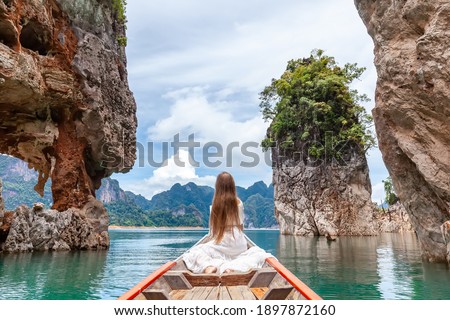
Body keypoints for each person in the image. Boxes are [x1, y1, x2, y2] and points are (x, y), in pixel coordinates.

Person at [182, 171, 272, 274]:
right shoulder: (239, 203)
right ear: (232, 185)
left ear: (218, 186)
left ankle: (208, 267)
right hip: (238, 243)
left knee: (194, 252)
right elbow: (240, 226)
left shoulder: (215, 206)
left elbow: (213, 232)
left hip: (222, 241)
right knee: (256, 253)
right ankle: (231, 268)